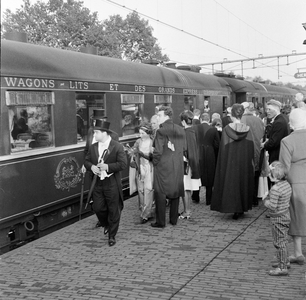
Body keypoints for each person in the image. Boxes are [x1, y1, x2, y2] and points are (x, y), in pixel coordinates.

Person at [84, 120, 127, 246]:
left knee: (114, 209)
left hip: (112, 182)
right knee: (98, 208)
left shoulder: (117, 146)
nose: (94, 136)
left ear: (104, 133)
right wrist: (91, 167)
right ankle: (106, 223)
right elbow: (86, 161)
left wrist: (107, 166)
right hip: (97, 183)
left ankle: (112, 236)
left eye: (96, 133)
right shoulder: (93, 147)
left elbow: (122, 164)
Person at [211, 104, 254, 219]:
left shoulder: (226, 129)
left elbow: (224, 148)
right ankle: (241, 208)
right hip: (243, 162)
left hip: (230, 162)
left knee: (231, 184)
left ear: (232, 115)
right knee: (242, 183)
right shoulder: (247, 129)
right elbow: (250, 147)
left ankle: (232, 207)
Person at [151, 106, 186, 228]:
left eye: (159, 115)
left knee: (160, 192)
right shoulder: (181, 129)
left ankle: (160, 222)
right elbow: (184, 148)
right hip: (177, 164)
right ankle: (173, 219)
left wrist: (154, 162)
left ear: (166, 116)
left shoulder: (161, 131)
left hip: (163, 166)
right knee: (175, 190)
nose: (158, 117)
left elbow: (158, 151)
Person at [279, 108, 306, 266]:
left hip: (296, 182)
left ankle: (298, 253)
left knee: (296, 216)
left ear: (291, 123)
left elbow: (284, 168)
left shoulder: (287, 141)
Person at [262, 161, 292, 276]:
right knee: (283, 240)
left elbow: (272, 206)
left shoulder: (275, 189)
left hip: (277, 218)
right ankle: (285, 260)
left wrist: (265, 200)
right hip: (285, 215)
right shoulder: (286, 185)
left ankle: (282, 267)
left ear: (274, 176)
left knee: (279, 242)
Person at [130, 122, 155, 224]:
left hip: (150, 168)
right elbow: (133, 151)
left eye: (143, 133)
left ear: (148, 133)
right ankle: (143, 211)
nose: (141, 135)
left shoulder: (153, 142)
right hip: (140, 168)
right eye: (140, 133)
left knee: (148, 189)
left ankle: (146, 214)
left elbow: (153, 157)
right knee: (140, 190)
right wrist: (131, 153)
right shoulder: (138, 142)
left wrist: (142, 154)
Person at [241, 102, 265, 206]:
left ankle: (247, 198)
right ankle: (254, 198)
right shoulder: (259, 120)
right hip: (257, 150)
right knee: (255, 175)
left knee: (245, 175)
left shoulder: (242, 120)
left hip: (246, 151)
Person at [179, 110, 201, 219]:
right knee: (186, 188)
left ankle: (186, 211)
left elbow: (186, 149)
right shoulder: (194, 130)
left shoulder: (187, 132)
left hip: (186, 164)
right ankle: (186, 210)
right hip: (191, 163)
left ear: (183, 121)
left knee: (185, 188)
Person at [196, 113, 220, 205]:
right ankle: (208, 199)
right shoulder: (213, 129)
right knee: (209, 174)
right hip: (209, 153)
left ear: (201, 119)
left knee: (198, 173)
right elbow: (217, 144)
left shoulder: (195, 128)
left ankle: (196, 196)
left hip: (198, 152)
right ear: (209, 119)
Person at [261, 99, 289, 164]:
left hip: (276, 155)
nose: (267, 112)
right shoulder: (282, 118)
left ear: (276, 110)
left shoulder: (279, 122)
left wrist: (264, 145)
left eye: (269, 109)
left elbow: (274, 142)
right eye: (266, 109)